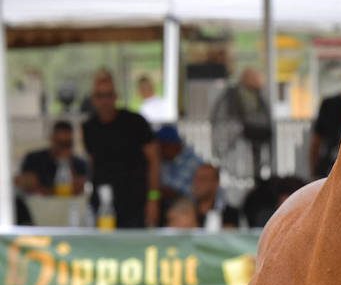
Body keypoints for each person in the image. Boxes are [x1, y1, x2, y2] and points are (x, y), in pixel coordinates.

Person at [82, 73, 160, 228]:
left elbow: (154, 160)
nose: (104, 101)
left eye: (109, 95)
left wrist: (153, 199)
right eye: (99, 95)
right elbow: (92, 164)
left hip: (135, 205)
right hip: (103, 205)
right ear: (93, 99)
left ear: (115, 96)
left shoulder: (136, 122)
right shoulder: (89, 127)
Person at [210, 67, 272, 179]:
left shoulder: (257, 94)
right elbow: (223, 116)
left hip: (255, 137)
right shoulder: (233, 94)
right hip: (237, 138)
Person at [16, 121, 88, 195]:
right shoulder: (34, 159)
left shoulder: (79, 163)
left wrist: (67, 164)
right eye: (60, 143)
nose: (64, 148)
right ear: (52, 139)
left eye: (67, 144)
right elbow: (27, 184)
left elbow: (80, 189)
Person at [156, 126, 203, 199]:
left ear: (172, 145)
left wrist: (151, 194)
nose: (158, 151)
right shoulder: (165, 160)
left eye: (160, 147)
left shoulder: (192, 161)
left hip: (188, 208)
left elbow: (172, 192)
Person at [192, 163, 240, 229]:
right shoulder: (187, 209)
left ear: (216, 183)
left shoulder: (229, 214)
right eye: (196, 178)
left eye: (203, 179)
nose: (197, 183)